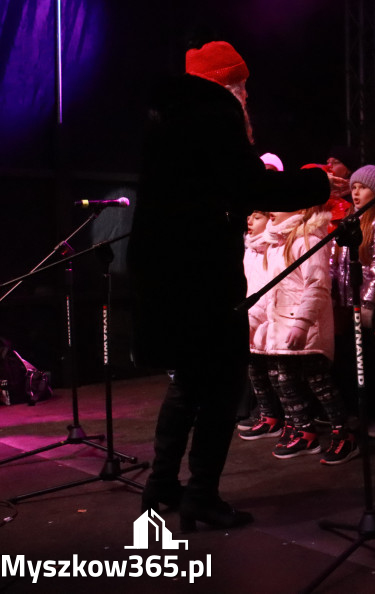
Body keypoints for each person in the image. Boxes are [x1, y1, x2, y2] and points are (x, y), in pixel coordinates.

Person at [128, 41, 331, 531]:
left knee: (186, 386)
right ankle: (201, 496)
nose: (246, 95)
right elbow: (248, 187)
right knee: (221, 386)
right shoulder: (214, 113)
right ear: (227, 84)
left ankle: (159, 489)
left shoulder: (164, 121)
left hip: (165, 272)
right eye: (241, 85)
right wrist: (316, 182)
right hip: (201, 273)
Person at [255, 204, 356, 464]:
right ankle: (304, 431)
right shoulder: (278, 243)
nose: (272, 209)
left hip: (306, 326)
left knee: (319, 382)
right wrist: (254, 322)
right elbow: (270, 292)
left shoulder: (309, 240)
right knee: (283, 381)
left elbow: (317, 286)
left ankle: (343, 434)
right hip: (280, 325)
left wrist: (301, 323)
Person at [329, 164, 375, 436]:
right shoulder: (351, 220)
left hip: (367, 305)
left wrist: (367, 303)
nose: (356, 192)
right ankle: (359, 414)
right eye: (354, 187)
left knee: (371, 364)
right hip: (347, 304)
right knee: (349, 363)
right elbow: (337, 262)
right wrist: (334, 294)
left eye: (363, 187)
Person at [239, 209, 285, 441]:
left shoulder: (272, 248)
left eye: (257, 217)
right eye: (250, 216)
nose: (249, 220)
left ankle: (286, 420)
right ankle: (268, 417)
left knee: (277, 375)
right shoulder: (250, 250)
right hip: (251, 319)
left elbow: (271, 288)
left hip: (267, 321)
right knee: (255, 373)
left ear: (269, 221)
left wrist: (262, 318)